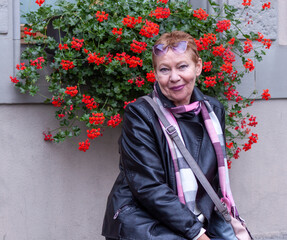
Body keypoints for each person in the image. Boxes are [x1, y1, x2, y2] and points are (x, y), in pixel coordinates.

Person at [102, 31, 237, 240]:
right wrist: (199, 235)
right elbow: (149, 187)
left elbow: (214, 184)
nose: (174, 77)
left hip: (197, 217)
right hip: (145, 223)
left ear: (198, 67)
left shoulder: (213, 110)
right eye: (165, 69)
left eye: (182, 66)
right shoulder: (139, 114)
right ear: (155, 73)